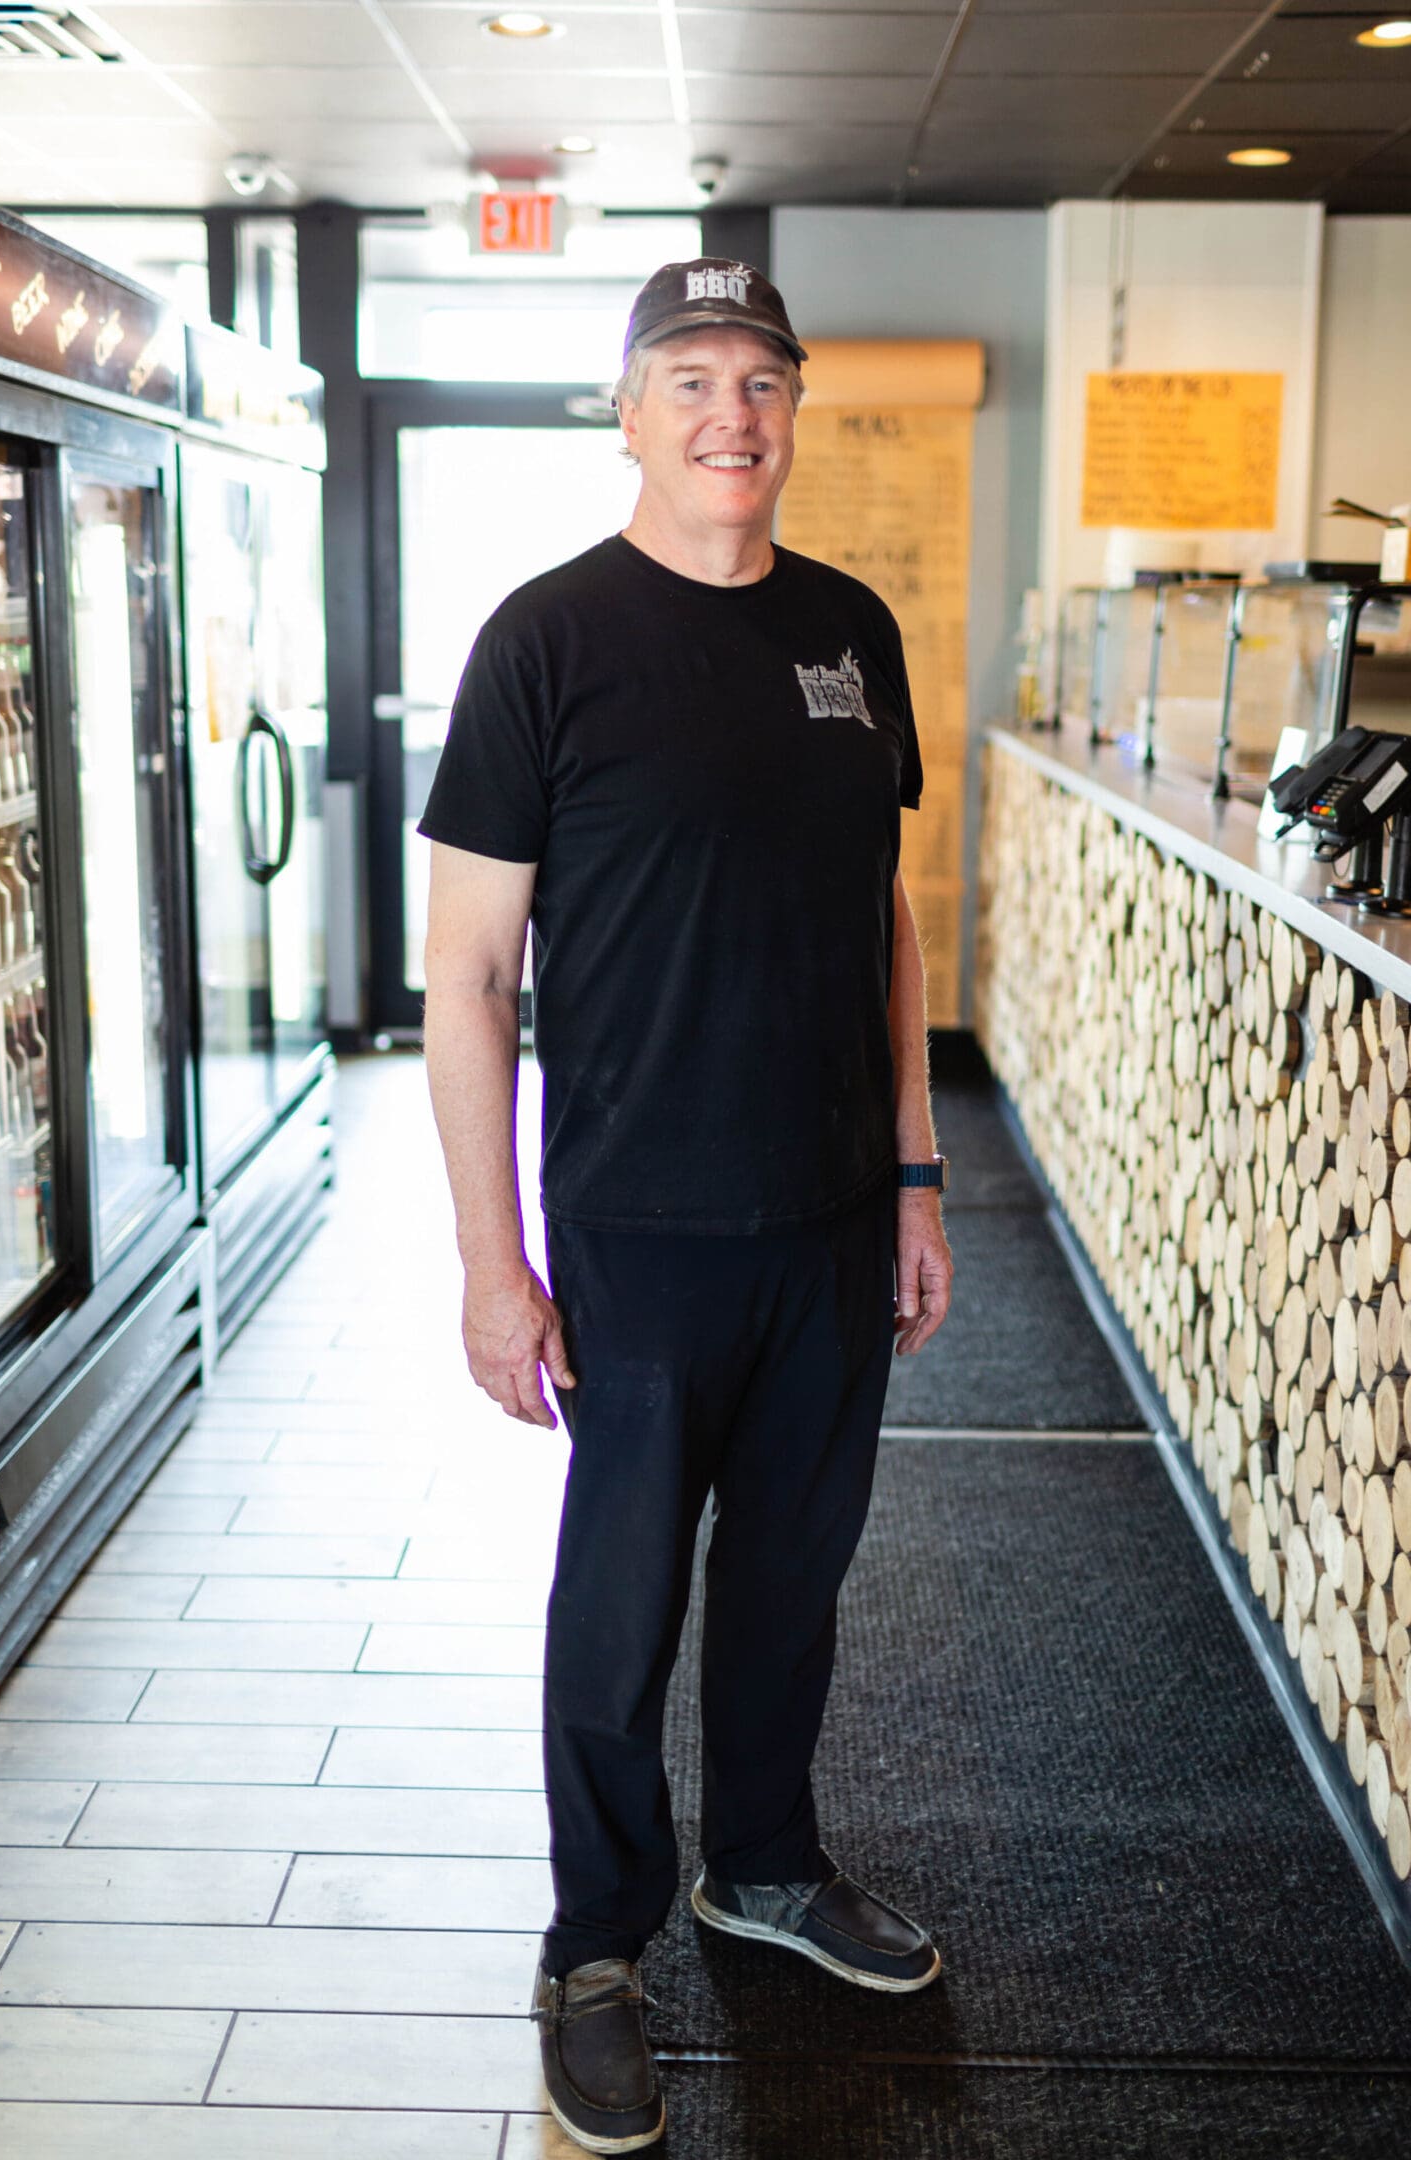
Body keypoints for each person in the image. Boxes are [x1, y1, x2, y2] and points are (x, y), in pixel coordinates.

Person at [419, 257, 954, 2156]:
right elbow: (470, 981)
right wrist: (497, 1268)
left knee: (795, 1588)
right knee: (620, 1606)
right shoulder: (545, 642)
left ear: (796, 411)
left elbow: (883, 922)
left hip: (827, 1220)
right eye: (692, 377)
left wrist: (914, 1172)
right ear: (628, 411)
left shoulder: (853, 631)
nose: (733, 413)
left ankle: (769, 1872)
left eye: (762, 380)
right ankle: (594, 1947)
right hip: (637, 1233)